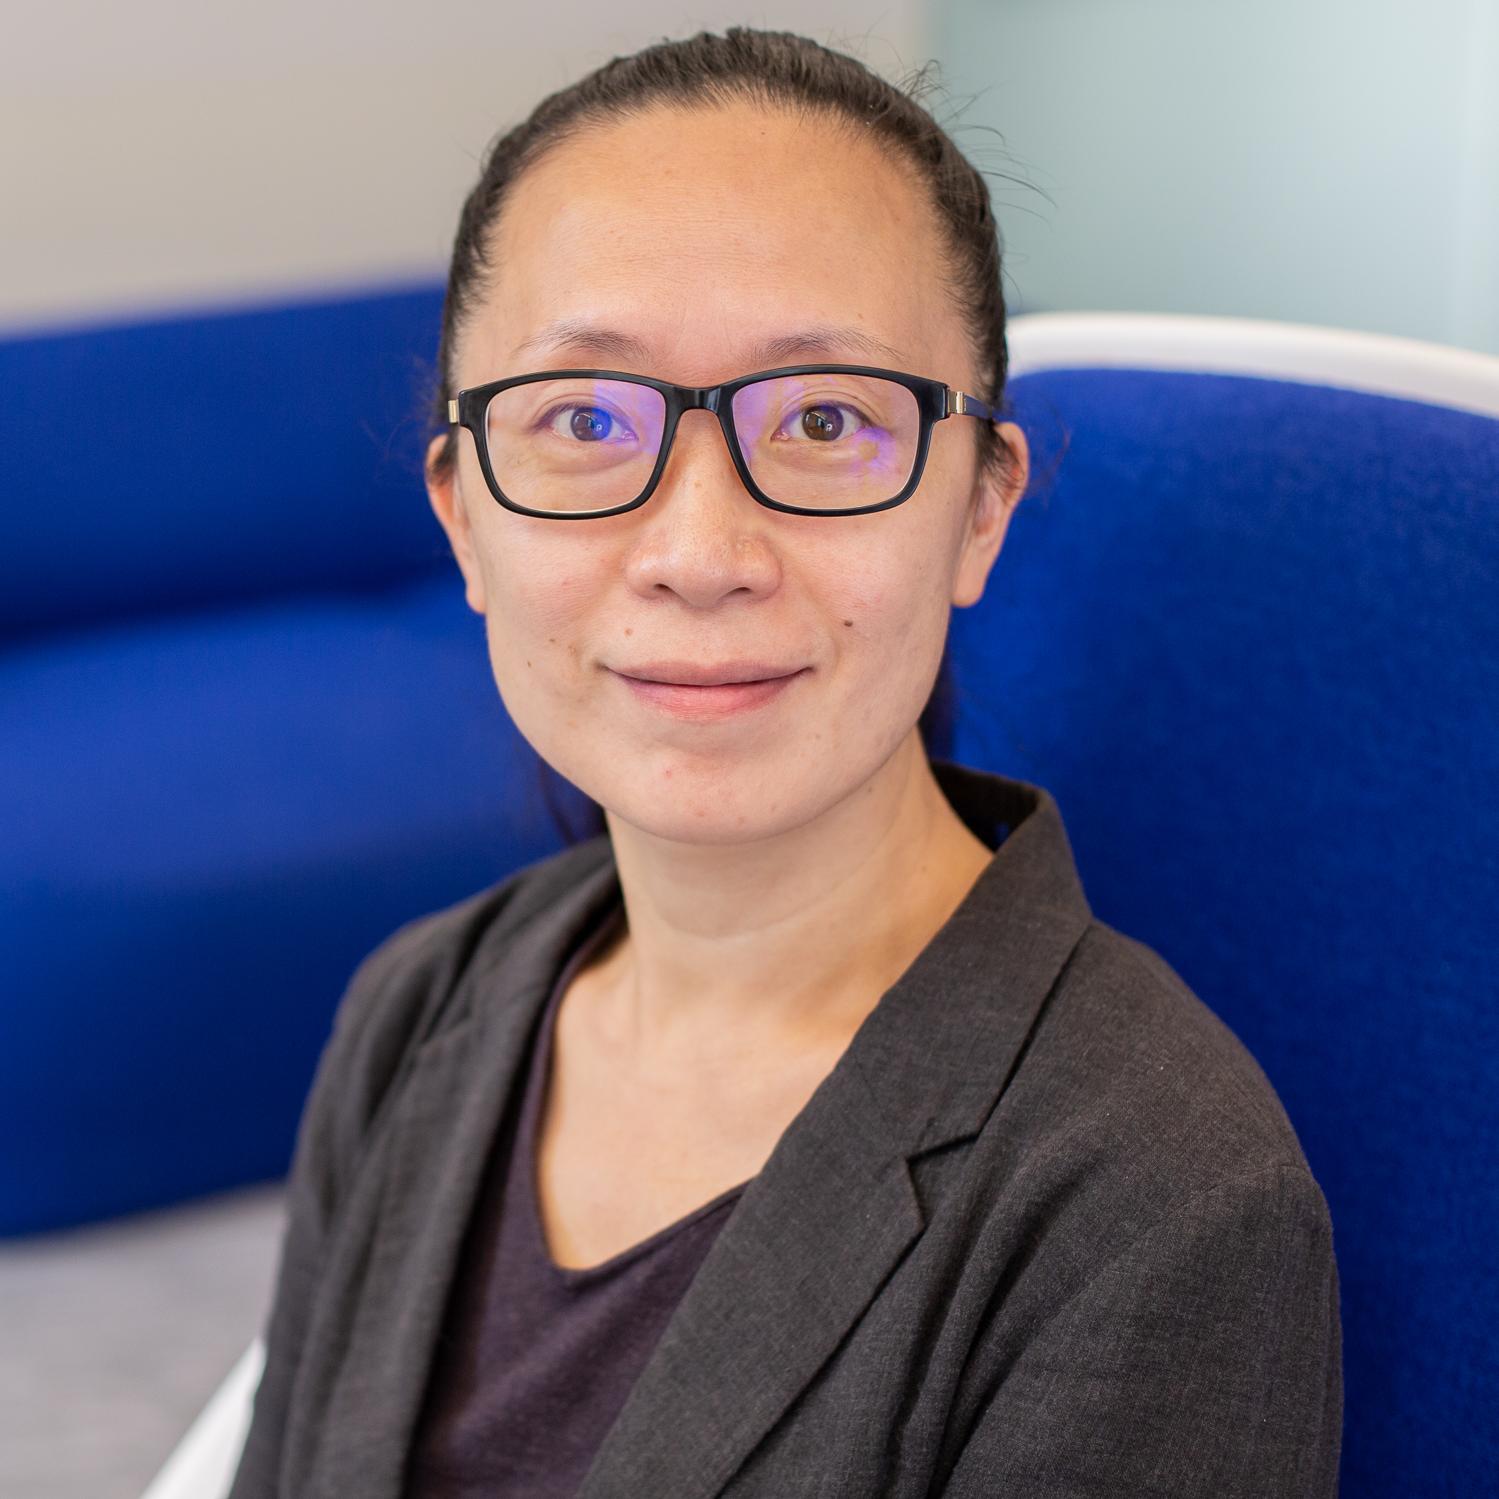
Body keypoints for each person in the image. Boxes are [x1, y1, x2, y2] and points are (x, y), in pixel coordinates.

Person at [227, 27, 1342, 1499]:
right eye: (582, 419)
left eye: (824, 418)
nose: (699, 554)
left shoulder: (1159, 1202)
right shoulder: (418, 1010)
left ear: (982, 513)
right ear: (464, 521)